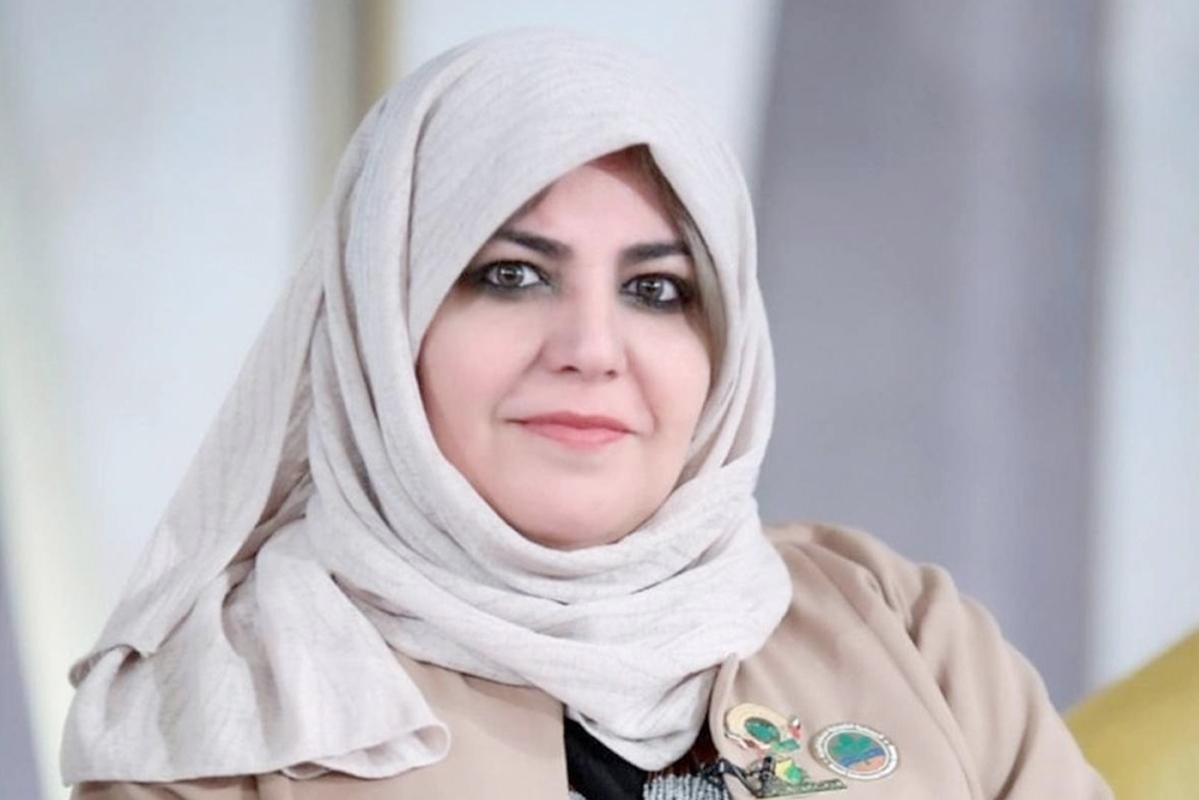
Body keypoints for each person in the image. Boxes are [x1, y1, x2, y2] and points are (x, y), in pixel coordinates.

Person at [62, 29, 1111, 800]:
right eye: (511, 275)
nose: (591, 348)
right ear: (381, 323)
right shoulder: (219, 719)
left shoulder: (897, 625)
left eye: (657, 289)